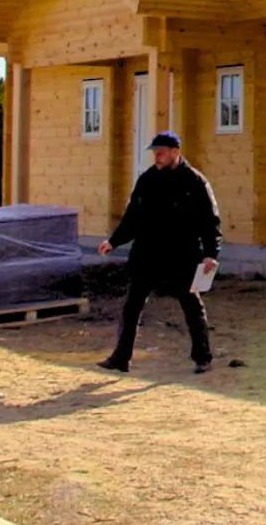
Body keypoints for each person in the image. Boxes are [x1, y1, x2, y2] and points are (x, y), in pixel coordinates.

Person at [96, 131, 222, 374]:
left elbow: (210, 222)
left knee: (191, 305)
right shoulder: (147, 180)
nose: (157, 157)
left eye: (161, 153)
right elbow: (132, 217)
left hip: (182, 253)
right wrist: (113, 241)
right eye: (155, 153)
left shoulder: (195, 182)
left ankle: (202, 357)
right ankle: (121, 358)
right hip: (147, 252)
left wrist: (210, 254)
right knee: (132, 305)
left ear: (175, 152)